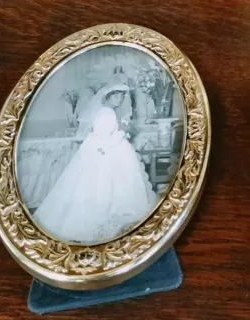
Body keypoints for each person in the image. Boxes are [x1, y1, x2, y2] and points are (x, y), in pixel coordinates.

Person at [32, 84, 157, 244]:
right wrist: (122, 133)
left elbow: (99, 135)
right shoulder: (108, 112)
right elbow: (105, 138)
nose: (120, 98)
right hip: (106, 152)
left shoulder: (102, 111)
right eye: (116, 95)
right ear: (108, 96)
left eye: (122, 96)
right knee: (105, 185)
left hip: (99, 150)